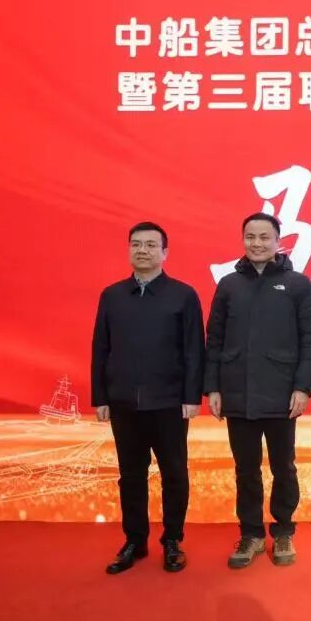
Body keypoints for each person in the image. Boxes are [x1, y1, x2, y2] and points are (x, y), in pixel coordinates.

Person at [204, 212, 311, 569]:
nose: (257, 243)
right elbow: (214, 339)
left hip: (282, 394)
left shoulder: (298, 285)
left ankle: (283, 530)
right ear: (243, 240)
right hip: (237, 392)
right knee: (246, 469)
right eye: (250, 237)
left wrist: (302, 387)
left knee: (284, 467)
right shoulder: (229, 285)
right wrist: (213, 387)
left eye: (264, 237)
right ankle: (251, 534)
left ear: (277, 242)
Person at [91, 221, 204, 575]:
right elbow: (100, 348)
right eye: (136, 244)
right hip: (123, 403)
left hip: (169, 402)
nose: (143, 250)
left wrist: (192, 396)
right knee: (130, 476)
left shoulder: (183, 295)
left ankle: (172, 540)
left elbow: (194, 350)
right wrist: (101, 397)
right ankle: (135, 541)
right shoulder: (112, 295)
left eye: (151, 245)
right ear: (129, 249)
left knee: (174, 474)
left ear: (164, 252)